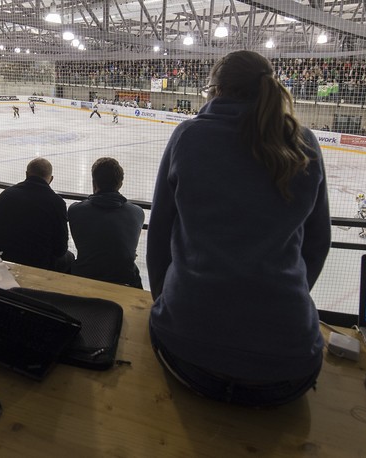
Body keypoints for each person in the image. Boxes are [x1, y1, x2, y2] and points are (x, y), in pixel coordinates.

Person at [146, 50, 331, 407]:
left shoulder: (189, 136)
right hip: (289, 368)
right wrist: (278, 301)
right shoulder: (304, 143)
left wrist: (167, 301)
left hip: (186, 353)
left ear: (215, 89)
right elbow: (318, 243)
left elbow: (160, 232)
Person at [0, 158, 73, 272]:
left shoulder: (7, 194)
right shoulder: (56, 202)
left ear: (26, 174)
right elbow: (60, 249)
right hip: (37, 264)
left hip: (3, 257)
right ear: (51, 179)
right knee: (69, 257)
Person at [68, 157, 144, 288]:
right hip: (124, 279)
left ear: (94, 183)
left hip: (85, 275)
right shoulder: (137, 212)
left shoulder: (75, 210)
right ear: (120, 184)